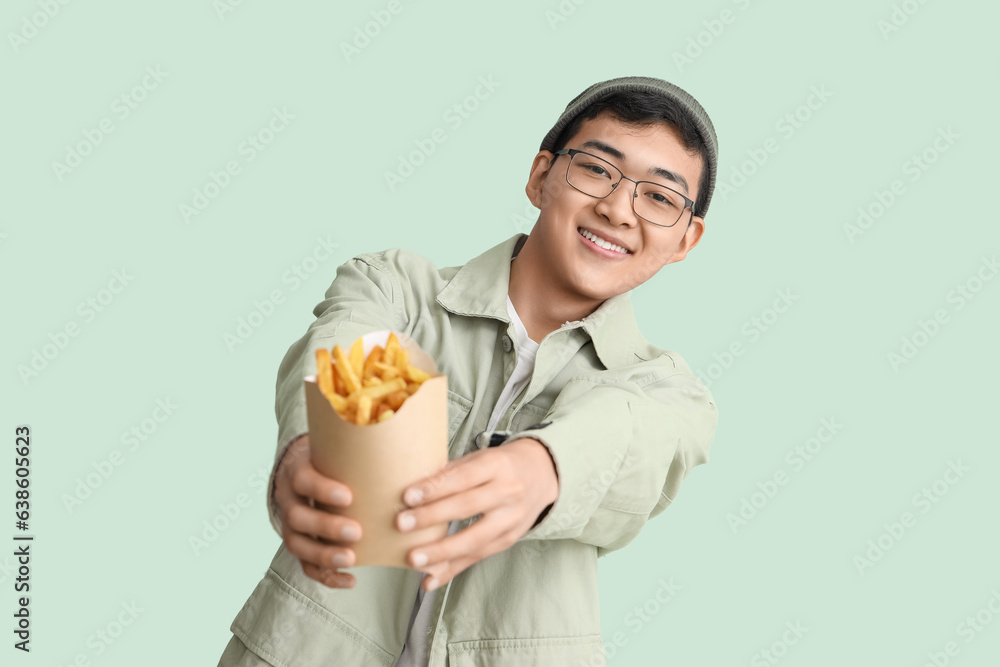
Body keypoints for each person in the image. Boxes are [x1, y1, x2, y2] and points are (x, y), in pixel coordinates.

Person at [218, 75, 720, 667]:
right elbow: (356, 346)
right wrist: (320, 452)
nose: (616, 209)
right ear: (540, 177)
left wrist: (547, 467)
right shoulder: (401, 290)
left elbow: (635, 433)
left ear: (686, 240)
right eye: (595, 169)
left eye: (659, 198)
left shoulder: (664, 390)